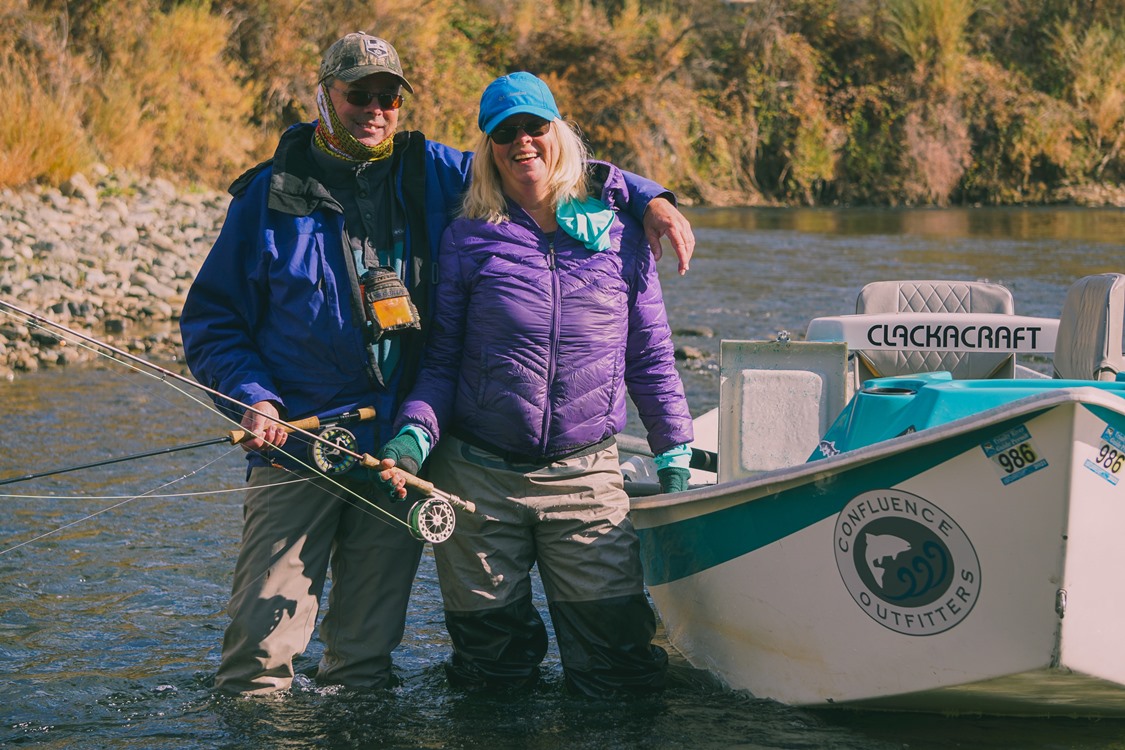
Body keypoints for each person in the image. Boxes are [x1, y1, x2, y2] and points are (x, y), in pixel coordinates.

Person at [180, 33, 695, 696]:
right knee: (258, 657)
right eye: (358, 94)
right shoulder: (267, 197)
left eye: (387, 96)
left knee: (363, 664)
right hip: (297, 446)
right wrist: (254, 399)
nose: (375, 108)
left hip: (396, 459)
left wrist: (652, 197)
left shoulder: (437, 173)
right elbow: (211, 321)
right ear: (323, 97)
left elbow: (544, 164)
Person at [379, 71, 694, 698]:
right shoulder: (469, 236)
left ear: (560, 134)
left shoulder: (621, 233)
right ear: (490, 148)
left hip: (587, 479)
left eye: (534, 127)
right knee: (491, 675)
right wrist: (413, 436)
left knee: (618, 668)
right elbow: (441, 363)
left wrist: (674, 454)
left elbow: (652, 361)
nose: (522, 142)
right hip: (479, 483)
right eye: (505, 133)